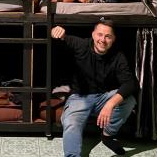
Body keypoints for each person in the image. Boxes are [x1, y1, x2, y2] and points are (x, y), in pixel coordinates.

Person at [51, 22, 138, 156]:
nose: (102, 40)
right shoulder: (81, 44)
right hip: (79, 98)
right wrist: (56, 31)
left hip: (103, 97)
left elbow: (130, 84)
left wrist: (110, 104)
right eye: (100, 34)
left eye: (108, 36)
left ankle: (107, 135)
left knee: (129, 100)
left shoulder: (118, 55)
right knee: (71, 123)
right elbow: (61, 38)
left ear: (113, 39)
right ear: (93, 35)